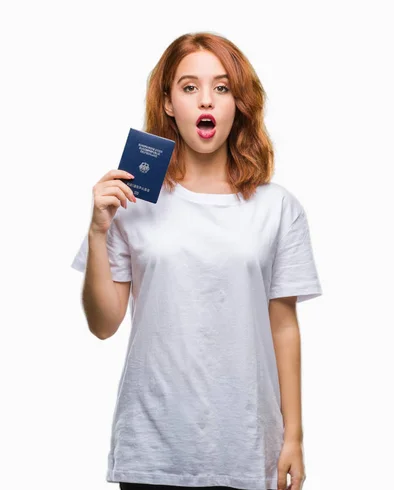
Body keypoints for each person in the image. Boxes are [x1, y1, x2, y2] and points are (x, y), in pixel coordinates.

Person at [70, 32, 323, 490]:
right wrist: (96, 231)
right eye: (189, 87)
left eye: (221, 88)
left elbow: (283, 326)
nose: (206, 99)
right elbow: (103, 324)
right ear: (168, 103)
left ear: (238, 103)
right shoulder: (132, 201)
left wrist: (294, 437)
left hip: (247, 449)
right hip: (152, 451)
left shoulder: (277, 207)